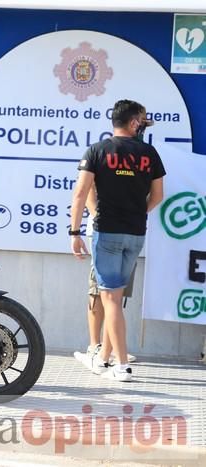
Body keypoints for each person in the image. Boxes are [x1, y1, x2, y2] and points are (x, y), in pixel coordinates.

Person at [69, 99, 165, 382]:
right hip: (136, 233)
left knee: (109, 298)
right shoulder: (150, 153)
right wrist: (138, 213)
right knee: (116, 298)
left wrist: (74, 233)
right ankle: (102, 359)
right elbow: (158, 196)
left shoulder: (97, 151)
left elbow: (80, 193)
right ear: (134, 122)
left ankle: (122, 366)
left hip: (107, 232)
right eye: (143, 120)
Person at [76, 186, 137, 365]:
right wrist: (101, 219)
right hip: (102, 231)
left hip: (130, 232)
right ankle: (95, 346)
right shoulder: (101, 158)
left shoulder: (140, 160)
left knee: (117, 294)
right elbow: (86, 190)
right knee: (98, 289)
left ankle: (109, 350)